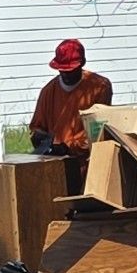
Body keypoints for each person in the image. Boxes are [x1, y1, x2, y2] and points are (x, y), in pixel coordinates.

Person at [29, 38, 112, 193]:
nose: (66, 74)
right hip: (57, 167)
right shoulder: (48, 91)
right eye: (62, 70)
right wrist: (40, 138)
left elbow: (98, 131)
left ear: (82, 63)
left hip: (89, 166)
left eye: (70, 70)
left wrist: (69, 147)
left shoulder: (99, 87)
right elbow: (37, 128)